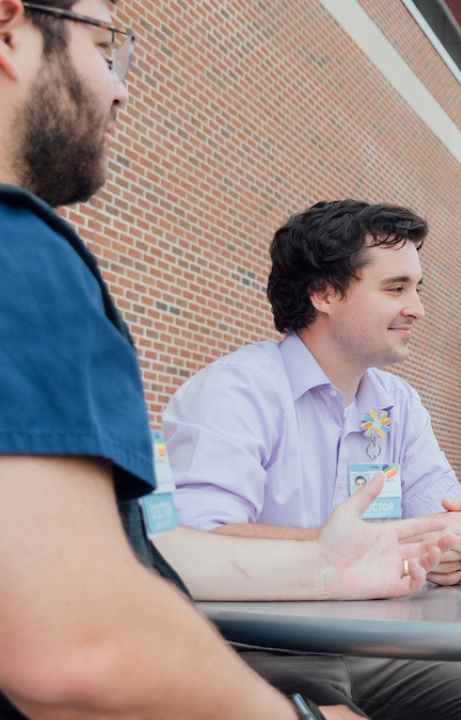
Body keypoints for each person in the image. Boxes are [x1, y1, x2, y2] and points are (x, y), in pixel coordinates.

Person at [0, 1, 366, 717]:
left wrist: (328, 559)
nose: (120, 88)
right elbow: (76, 644)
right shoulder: (22, 254)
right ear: (10, 27)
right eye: (105, 47)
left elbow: (109, 554)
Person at [163, 199, 461, 720]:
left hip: (371, 645)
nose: (417, 308)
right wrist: (340, 552)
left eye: (416, 289)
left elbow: (454, 524)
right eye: (396, 288)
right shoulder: (235, 392)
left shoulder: (397, 403)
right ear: (324, 292)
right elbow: (194, 540)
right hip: (258, 643)